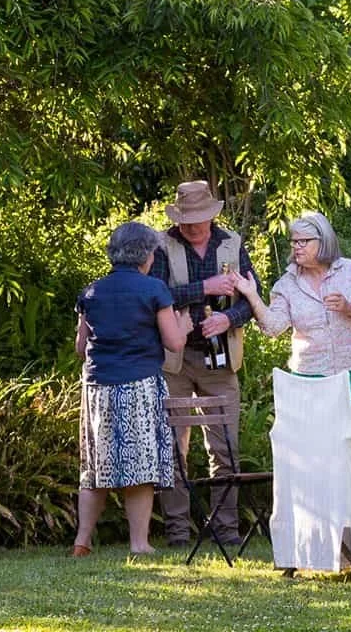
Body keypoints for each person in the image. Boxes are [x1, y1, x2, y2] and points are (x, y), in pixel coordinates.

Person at [72, 221, 192, 557]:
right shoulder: (153, 290)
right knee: (139, 464)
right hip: (138, 384)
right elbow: (173, 342)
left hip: (97, 387)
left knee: (96, 464)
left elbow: (81, 348)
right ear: (147, 255)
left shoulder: (91, 292)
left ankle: (82, 540)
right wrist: (183, 326)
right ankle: (139, 543)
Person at [151, 179, 256, 549]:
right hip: (175, 359)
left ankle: (225, 529)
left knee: (225, 446)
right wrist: (205, 288)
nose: (192, 225)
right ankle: (177, 531)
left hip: (221, 357)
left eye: (199, 217)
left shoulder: (232, 244)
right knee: (173, 446)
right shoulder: (161, 245)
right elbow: (155, 295)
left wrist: (230, 319)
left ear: (211, 215)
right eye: (186, 218)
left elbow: (251, 298)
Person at [232, 212, 351, 405]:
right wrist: (252, 295)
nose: (296, 247)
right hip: (310, 380)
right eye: (294, 242)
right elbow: (274, 328)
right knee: (315, 435)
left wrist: (350, 310)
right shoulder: (286, 285)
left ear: (323, 240)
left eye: (304, 241)